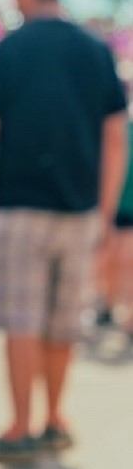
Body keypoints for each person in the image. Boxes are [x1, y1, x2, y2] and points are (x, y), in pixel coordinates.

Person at [0, 0, 129, 462]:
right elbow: (115, 138)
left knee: (22, 320)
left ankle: (19, 426)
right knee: (62, 322)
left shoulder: (10, 49)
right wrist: (102, 209)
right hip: (79, 210)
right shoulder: (96, 50)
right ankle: (55, 417)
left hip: (18, 206)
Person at [98, 102, 133, 339]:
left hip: (122, 204)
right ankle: (108, 307)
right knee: (110, 258)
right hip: (114, 203)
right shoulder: (119, 125)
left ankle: (127, 317)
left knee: (127, 259)